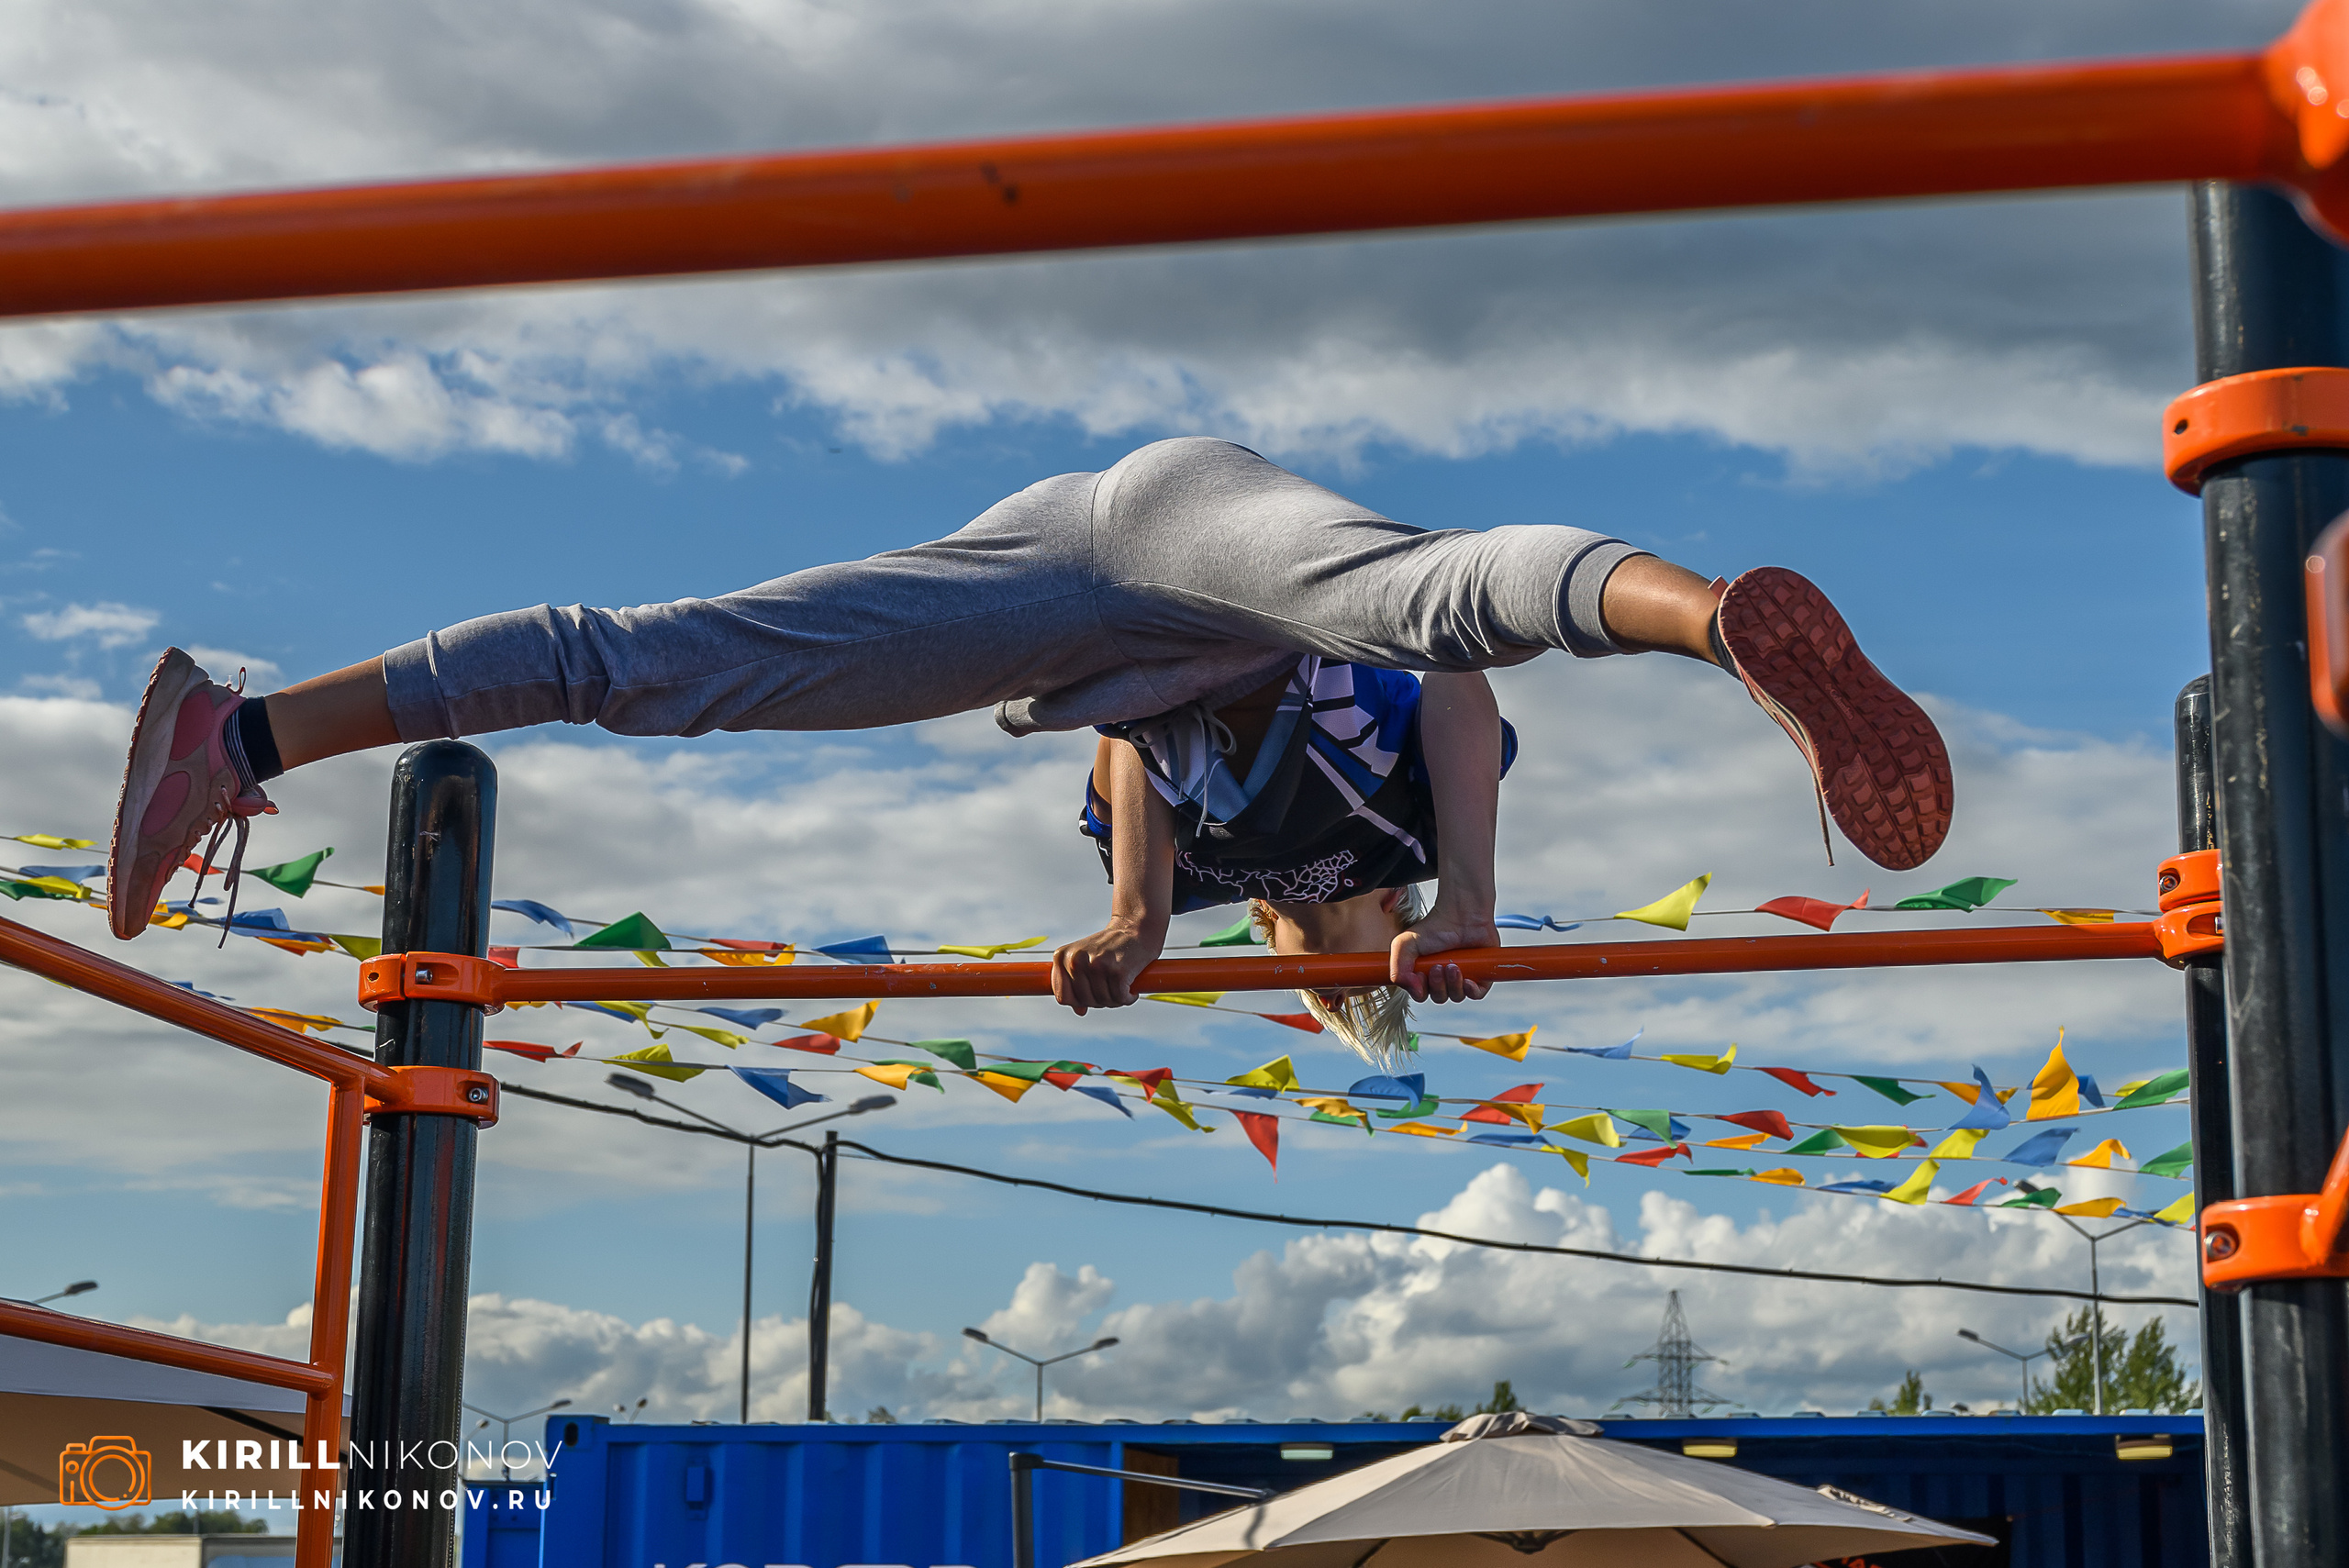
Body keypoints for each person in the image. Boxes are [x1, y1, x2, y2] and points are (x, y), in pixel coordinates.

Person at [106, 438, 1949, 1063]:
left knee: (667, 673)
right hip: (1160, 537)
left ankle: (240, 734)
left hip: (1096, 615)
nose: (1324, 954)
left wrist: (1140, 920)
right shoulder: (1400, 816)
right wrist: (1466, 901)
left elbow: (1124, 767)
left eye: (1331, 971)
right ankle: (1718, 623)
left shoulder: (1224, 892)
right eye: (1336, 964)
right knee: (1421, 606)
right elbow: (1459, 697)